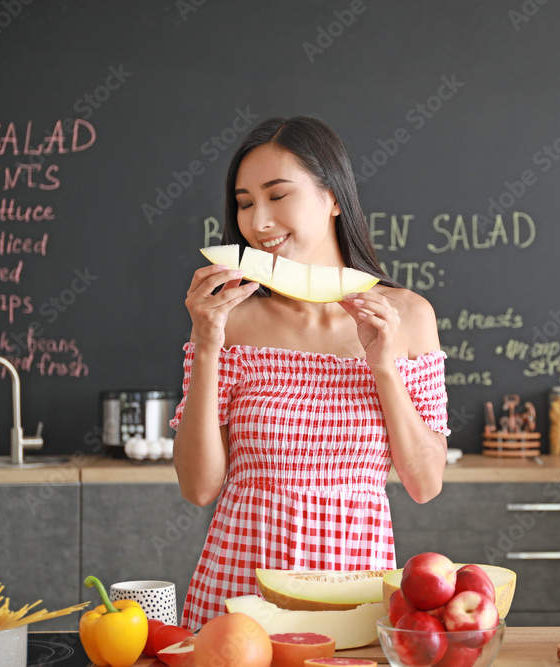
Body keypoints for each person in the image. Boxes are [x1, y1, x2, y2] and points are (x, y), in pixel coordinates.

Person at [170, 116, 450, 630]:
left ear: (334, 196)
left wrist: (383, 366)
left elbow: (425, 482)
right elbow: (199, 486)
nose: (259, 222)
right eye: (246, 202)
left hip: (356, 602)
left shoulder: (407, 316)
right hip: (238, 599)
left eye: (278, 196)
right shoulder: (229, 319)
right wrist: (207, 345)